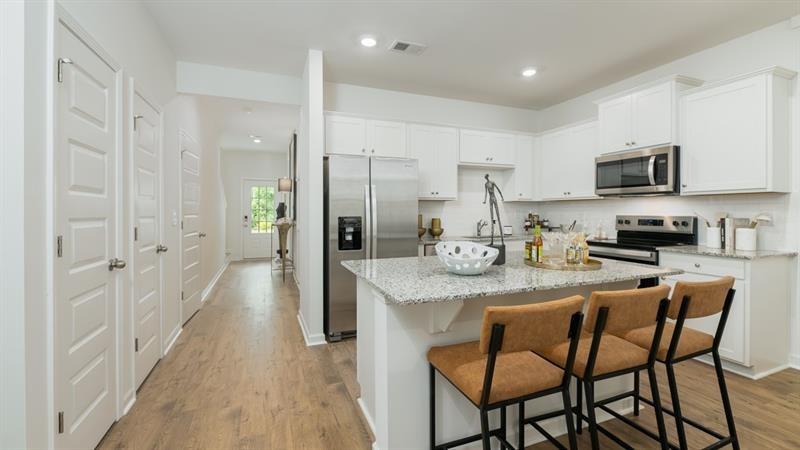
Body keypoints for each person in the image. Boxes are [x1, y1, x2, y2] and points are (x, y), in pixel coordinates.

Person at [482, 174, 505, 246]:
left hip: (494, 199)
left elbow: (498, 189)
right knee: (491, 219)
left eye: (486, 177)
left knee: (498, 217)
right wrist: (485, 200)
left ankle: (502, 242)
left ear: (488, 177)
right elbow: (486, 192)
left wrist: (502, 197)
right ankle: (492, 241)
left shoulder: (492, 182)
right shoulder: (485, 184)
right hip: (490, 200)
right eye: (485, 177)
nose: (486, 178)